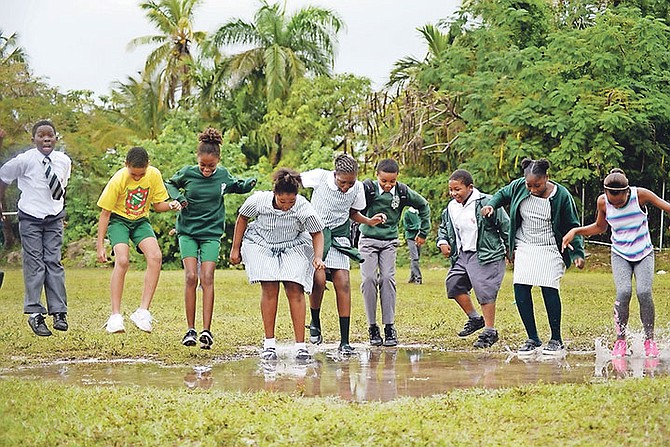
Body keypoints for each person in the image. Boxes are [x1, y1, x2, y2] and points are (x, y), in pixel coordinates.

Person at [481, 158, 584, 356]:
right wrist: (491, 205)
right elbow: (501, 195)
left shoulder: (561, 195)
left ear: (547, 177)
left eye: (537, 185)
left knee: (549, 287)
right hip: (525, 244)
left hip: (550, 246)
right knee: (520, 286)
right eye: (529, 185)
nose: (532, 189)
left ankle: (556, 339)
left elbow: (572, 225)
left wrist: (577, 252)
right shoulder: (520, 186)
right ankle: (533, 338)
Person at [166, 128, 256, 349]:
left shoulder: (223, 175)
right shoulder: (187, 172)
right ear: (197, 159)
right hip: (187, 231)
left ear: (218, 161)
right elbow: (169, 183)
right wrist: (178, 197)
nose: (206, 170)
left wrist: (247, 184)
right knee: (190, 276)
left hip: (211, 234)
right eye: (203, 165)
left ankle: (206, 331)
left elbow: (234, 185)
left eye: (211, 166)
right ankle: (190, 330)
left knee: (207, 277)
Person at [562, 169, 666, 358]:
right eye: (612, 201)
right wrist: (575, 231)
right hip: (620, 254)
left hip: (643, 252)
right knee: (623, 291)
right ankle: (620, 340)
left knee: (644, 291)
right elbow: (600, 227)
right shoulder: (603, 202)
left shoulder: (640, 195)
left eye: (620, 201)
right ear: (606, 193)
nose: (616, 205)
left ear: (627, 191)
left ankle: (649, 340)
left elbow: (666, 206)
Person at [229, 168, 326, 361]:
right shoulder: (258, 201)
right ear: (275, 194)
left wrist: (318, 257)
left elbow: (317, 233)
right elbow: (242, 219)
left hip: (293, 245)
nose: (286, 206)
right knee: (270, 286)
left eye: (291, 202)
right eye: (282, 201)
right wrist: (235, 248)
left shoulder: (303, 207)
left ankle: (300, 346)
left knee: (294, 288)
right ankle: (269, 344)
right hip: (262, 243)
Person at [301, 154, 385, 354]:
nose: (346, 186)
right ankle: (315, 321)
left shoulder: (357, 189)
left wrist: (369, 221)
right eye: (342, 182)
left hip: (339, 237)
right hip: (316, 235)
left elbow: (352, 213)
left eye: (350, 182)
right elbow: (292, 181)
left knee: (344, 283)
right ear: (334, 174)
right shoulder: (320, 177)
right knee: (318, 280)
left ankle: (344, 341)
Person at [96, 146, 181, 334]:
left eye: (140, 174)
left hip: (140, 220)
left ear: (148, 166)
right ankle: (115, 316)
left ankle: (142, 312)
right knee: (123, 261)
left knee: (156, 257)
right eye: (133, 174)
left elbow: (158, 206)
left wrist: (171, 205)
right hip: (118, 220)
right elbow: (105, 214)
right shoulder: (118, 179)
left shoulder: (153, 175)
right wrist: (100, 245)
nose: (137, 178)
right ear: (126, 165)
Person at [0, 120, 71, 336]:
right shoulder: (23, 161)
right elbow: (3, 178)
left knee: (53, 262)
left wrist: (58, 211)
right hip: (30, 217)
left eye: (50, 135)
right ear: (33, 140)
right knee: (35, 263)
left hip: (53, 218)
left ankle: (59, 312)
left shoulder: (63, 161)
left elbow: (62, 186)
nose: (46, 138)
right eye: (41, 135)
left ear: (56, 138)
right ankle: (34, 313)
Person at [358, 158, 430, 347]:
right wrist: (367, 219)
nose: (388, 185)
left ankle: (389, 326)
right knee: (369, 280)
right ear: (377, 176)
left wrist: (423, 232)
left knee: (388, 279)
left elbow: (423, 205)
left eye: (392, 181)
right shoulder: (368, 189)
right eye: (384, 181)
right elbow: (351, 208)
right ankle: (372, 326)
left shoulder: (403, 192)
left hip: (389, 242)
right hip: (368, 241)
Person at [437, 169, 509, 348]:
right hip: (463, 254)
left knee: (485, 291)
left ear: (470, 187)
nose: (454, 194)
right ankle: (476, 319)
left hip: (485, 252)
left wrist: (510, 248)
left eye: (458, 190)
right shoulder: (452, 207)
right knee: (453, 284)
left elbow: (505, 224)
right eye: (451, 190)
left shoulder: (486, 202)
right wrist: (443, 241)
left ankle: (490, 331)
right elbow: (445, 227)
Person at [403, 207, 423, 284]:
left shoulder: (419, 213)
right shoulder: (407, 213)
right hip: (411, 238)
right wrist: (416, 227)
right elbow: (406, 226)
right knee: (415, 258)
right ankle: (418, 277)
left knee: (416, 257)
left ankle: (412, 277)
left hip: (419, 237)